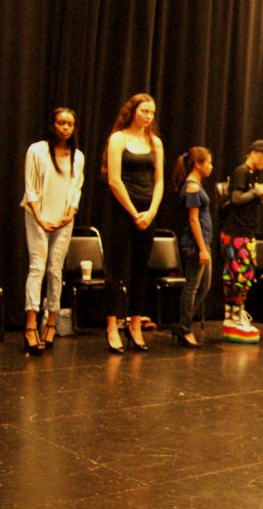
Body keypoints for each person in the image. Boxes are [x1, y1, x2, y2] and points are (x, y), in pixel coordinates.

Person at [102, 93, 164, 353]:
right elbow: (114, 179)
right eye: (144, 111)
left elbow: (159, 181)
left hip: (146, 212)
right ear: (133, 111)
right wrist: (133, 211)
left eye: (152, 113)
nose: (148, 117)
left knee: (141, 269)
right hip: (121, 210)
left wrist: (149, 212)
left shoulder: (155, 142)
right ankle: (112, 326)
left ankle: (135, 324)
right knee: (115, 269)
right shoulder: (119, 138)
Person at [21, 108, 85, 355]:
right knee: (37, 267)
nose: (65, 127)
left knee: (55, 270)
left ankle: (50, 322)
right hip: (37, 216)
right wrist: (38, 217)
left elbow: (75, 187)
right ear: (52, 124)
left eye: (70, 123)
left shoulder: (77, 156)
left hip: (63, 219)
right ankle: (30, 325)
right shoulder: (37, 150)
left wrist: (70, 213)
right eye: (61, 123)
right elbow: (31, 186)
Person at [220, 139, 263, 344]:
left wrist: (256, 194)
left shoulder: (253, 174)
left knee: (244, 276)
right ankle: (232, 318)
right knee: (237, 276)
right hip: (236, 233)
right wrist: (255, 192)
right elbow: (236, 199)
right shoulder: (242, 171)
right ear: (253, 153)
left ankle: (236, 315)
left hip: (246, 232)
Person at [171, 147, 213, 348]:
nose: (211, 167)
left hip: (202, 242)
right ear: (198, 164)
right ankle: (185, 328)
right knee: (192, 286)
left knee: (204, 285)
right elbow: (193, 219)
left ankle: (182, 323)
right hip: (195, 244)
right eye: (209, 163)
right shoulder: (192, 188)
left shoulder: (197, 186)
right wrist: (202, 249)